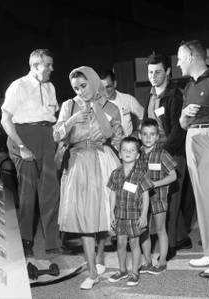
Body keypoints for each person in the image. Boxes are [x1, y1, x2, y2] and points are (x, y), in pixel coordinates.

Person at [53, 66, 122, 289]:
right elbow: (56, 134)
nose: (80, 91)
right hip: (78, 162)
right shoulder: (68, 105)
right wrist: (73, 119)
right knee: (85, 218)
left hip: (103, 159)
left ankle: (100, 256)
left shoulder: (110, 106)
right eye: (76, 88)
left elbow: (111, 133)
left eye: (84, 86)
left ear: (93, 83)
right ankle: (92, 271)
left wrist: (95, 108)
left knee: (102, 213)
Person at [1, 49, 61, 257]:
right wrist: (21, 147)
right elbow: (5, 120)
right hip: (24, 136)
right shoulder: (18, 86)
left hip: (47, 135)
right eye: (48, 65)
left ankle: (52, 242)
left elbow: (52, 115)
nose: (52, 69)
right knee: (28, 193)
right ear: (36, 66)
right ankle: (26, 241)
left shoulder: (51, 87)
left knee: (51, 191)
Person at [177, 40, 209, 274]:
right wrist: (185, 116)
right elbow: (182, 124)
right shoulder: (189, 87)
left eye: (179, 58)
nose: (177, 63)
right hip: (192, 139)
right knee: (202, 200)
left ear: (190, 57)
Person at [142, 52, 193, 260]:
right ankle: (181, 237)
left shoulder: (175, 95)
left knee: (170, 200)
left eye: (158, 72)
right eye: (150, 72)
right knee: (160, 196)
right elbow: (147, 124)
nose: (153, 76)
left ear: (168, 72)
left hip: (173, 153)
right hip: (155, 152)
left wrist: (160, 153)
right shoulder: (150, 95)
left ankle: (170, 245)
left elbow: (178, 132)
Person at [107, 136, 154, 286]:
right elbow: (112, 193)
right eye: (124, 150)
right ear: (119, 153)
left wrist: (144, 216)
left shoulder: (141, 175)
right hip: (120, 216)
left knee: (134, 244)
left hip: (135, 216)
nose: (128, 153)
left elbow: (146, 196)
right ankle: (122, 270)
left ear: (137, 155)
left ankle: (134, 272)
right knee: (120, 244)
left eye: (132, 150)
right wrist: (111, 214)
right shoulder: (115, 173)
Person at [138, 119, 177, 274]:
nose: (148, 137)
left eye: (152, 134)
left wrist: (156, 184)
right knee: (143, 230)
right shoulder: (137, 154)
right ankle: (147, 261)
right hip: (141, 200)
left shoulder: (162, 154)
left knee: (160, 229)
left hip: (159, 197)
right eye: (145, 134)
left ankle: (162, 262)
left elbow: (173, 176)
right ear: (140, 135)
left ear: (157, 136)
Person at [99, 69, 144, 137]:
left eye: (108, 87)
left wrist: (137, 133)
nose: (105, 91)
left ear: (115, 84)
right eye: (102, 88)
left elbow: (143, 115)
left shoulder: (127, 99)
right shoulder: (96, 105)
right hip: (107, 145)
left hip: (127, 143)